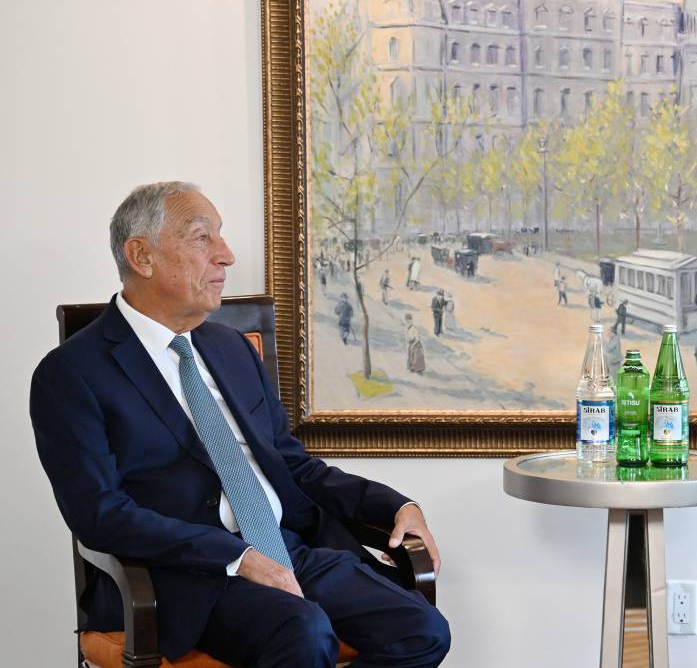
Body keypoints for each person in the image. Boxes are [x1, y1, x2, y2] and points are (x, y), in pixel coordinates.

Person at [30, 182, 449, 667]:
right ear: (142, 256)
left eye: (220, 235)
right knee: (304, 632)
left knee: (421, 630)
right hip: (183, 578)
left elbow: (293, 466)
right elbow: (99, 514)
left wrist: (397, 505)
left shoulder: (231, 348)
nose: (226, 255)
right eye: (202, 237)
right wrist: (235, 556)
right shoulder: (72, 374)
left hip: (286, 549)